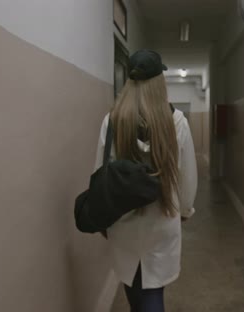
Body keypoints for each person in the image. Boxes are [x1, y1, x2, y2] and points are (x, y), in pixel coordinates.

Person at [94, 50, 198, 312]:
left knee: (134, 287)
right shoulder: (176, 122)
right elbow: (187, 175)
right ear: (158, 82)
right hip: (162, 219)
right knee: (152, 291)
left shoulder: (113, 120)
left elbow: (100, 171)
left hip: (123, 223)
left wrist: (103, 219)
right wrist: (184, 209)